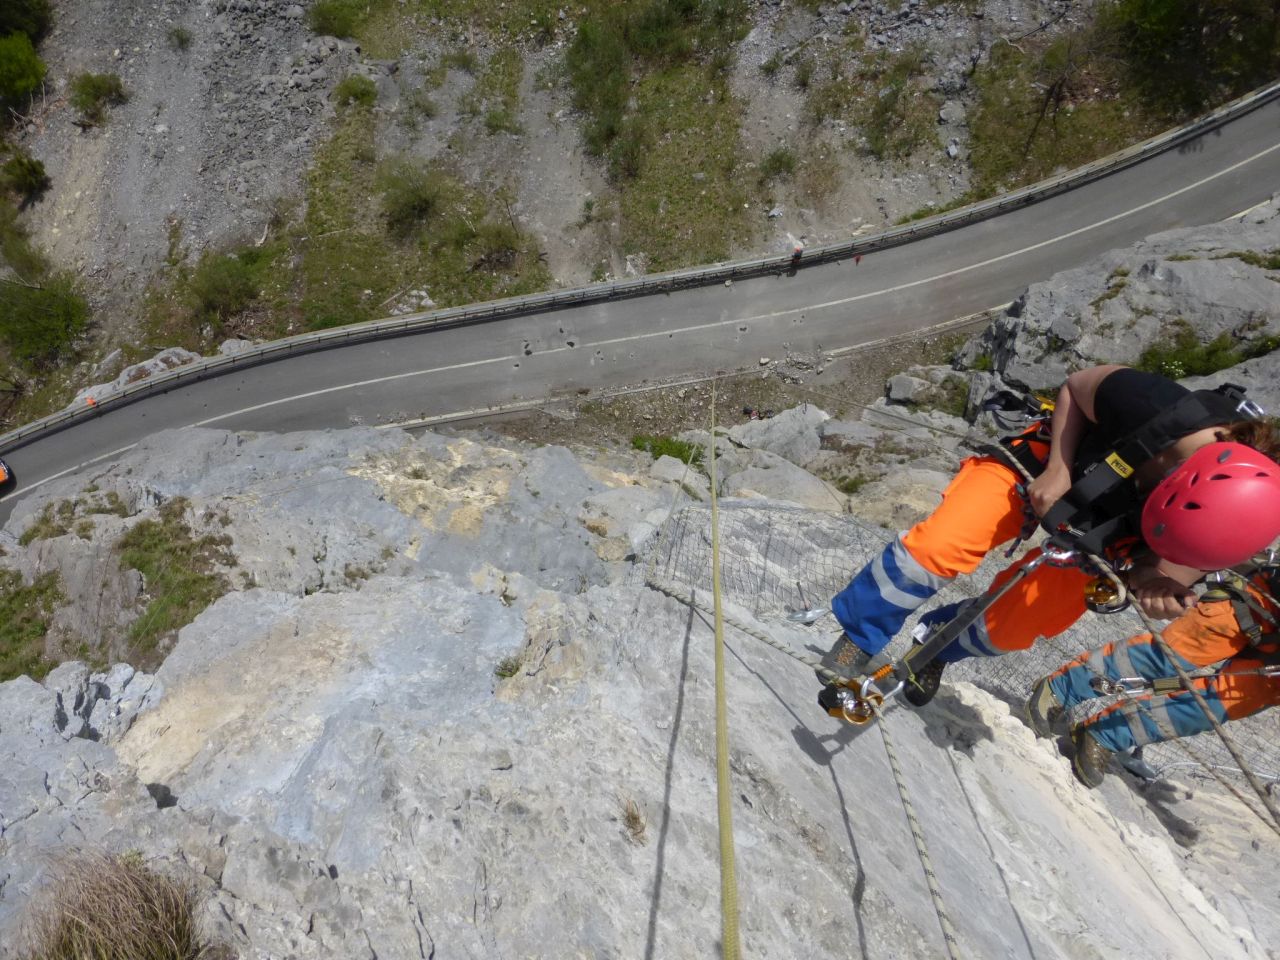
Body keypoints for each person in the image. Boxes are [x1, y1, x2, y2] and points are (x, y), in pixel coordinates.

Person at [821, 364, 1280, 706]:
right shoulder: (1161, 409)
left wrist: (1152, 582)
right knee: (941, 546)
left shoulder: (1236, 521)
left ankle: (939, 643)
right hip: (1044, 465)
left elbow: (1161, 565)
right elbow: (1079, 387)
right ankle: (860, 636)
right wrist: (1059, 471)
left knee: (1013, 625)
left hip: (1108, 531)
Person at [1025, 564, 1280, 788]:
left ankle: (1106, 734)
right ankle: (1061, 688)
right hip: (1263, 600)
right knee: (1171, 655)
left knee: (1214, 706)